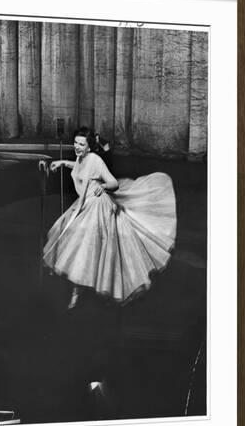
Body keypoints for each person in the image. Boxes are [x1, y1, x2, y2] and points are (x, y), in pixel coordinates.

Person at [43, 128, 177, 309]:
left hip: (97, 205)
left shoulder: (95, 160)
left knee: (86, 246)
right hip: (84, 204)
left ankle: (83, 290)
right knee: (77, 243)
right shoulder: (81, 158)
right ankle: (78, 288)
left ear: (89, 147)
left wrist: (104, 186)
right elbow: (79, 168)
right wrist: (62, 163)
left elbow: (113, 182)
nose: (77, 147)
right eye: (75, 143)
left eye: (81, 144)